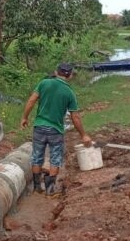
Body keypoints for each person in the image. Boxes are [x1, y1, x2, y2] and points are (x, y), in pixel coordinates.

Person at [20, 63, 92, 199]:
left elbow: (31, 101)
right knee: (55, 159)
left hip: (39, 127)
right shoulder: (69, 92)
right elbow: (75, 116)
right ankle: (50, 191)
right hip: (56, 130)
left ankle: (37, 188)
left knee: (37, 157)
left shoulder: (44, 83)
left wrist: (24, 117)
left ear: (56, 72)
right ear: (70, 76)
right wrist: (83, 135)